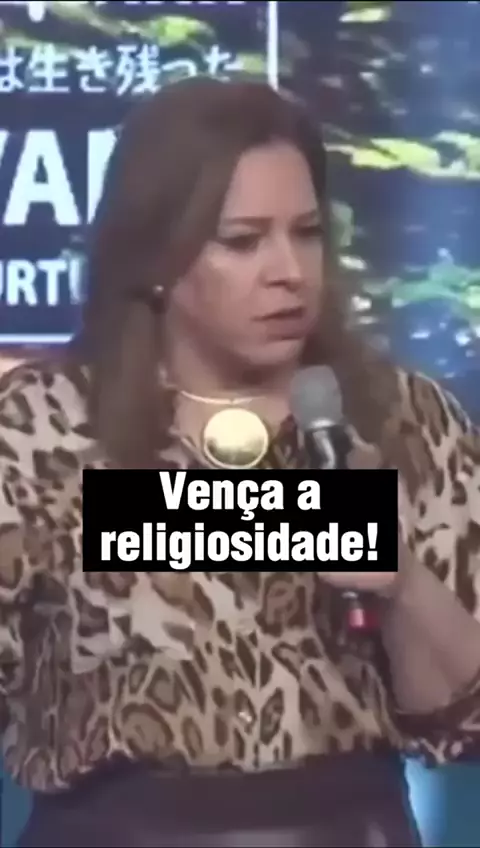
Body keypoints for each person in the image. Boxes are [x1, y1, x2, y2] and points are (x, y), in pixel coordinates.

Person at [1, 77, 480, 848]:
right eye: (243, 241)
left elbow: (464, 721)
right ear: (159, 255)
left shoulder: (401, 419)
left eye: (307, 233)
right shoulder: (42, 428)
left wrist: (402, 583)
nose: (289, 271)